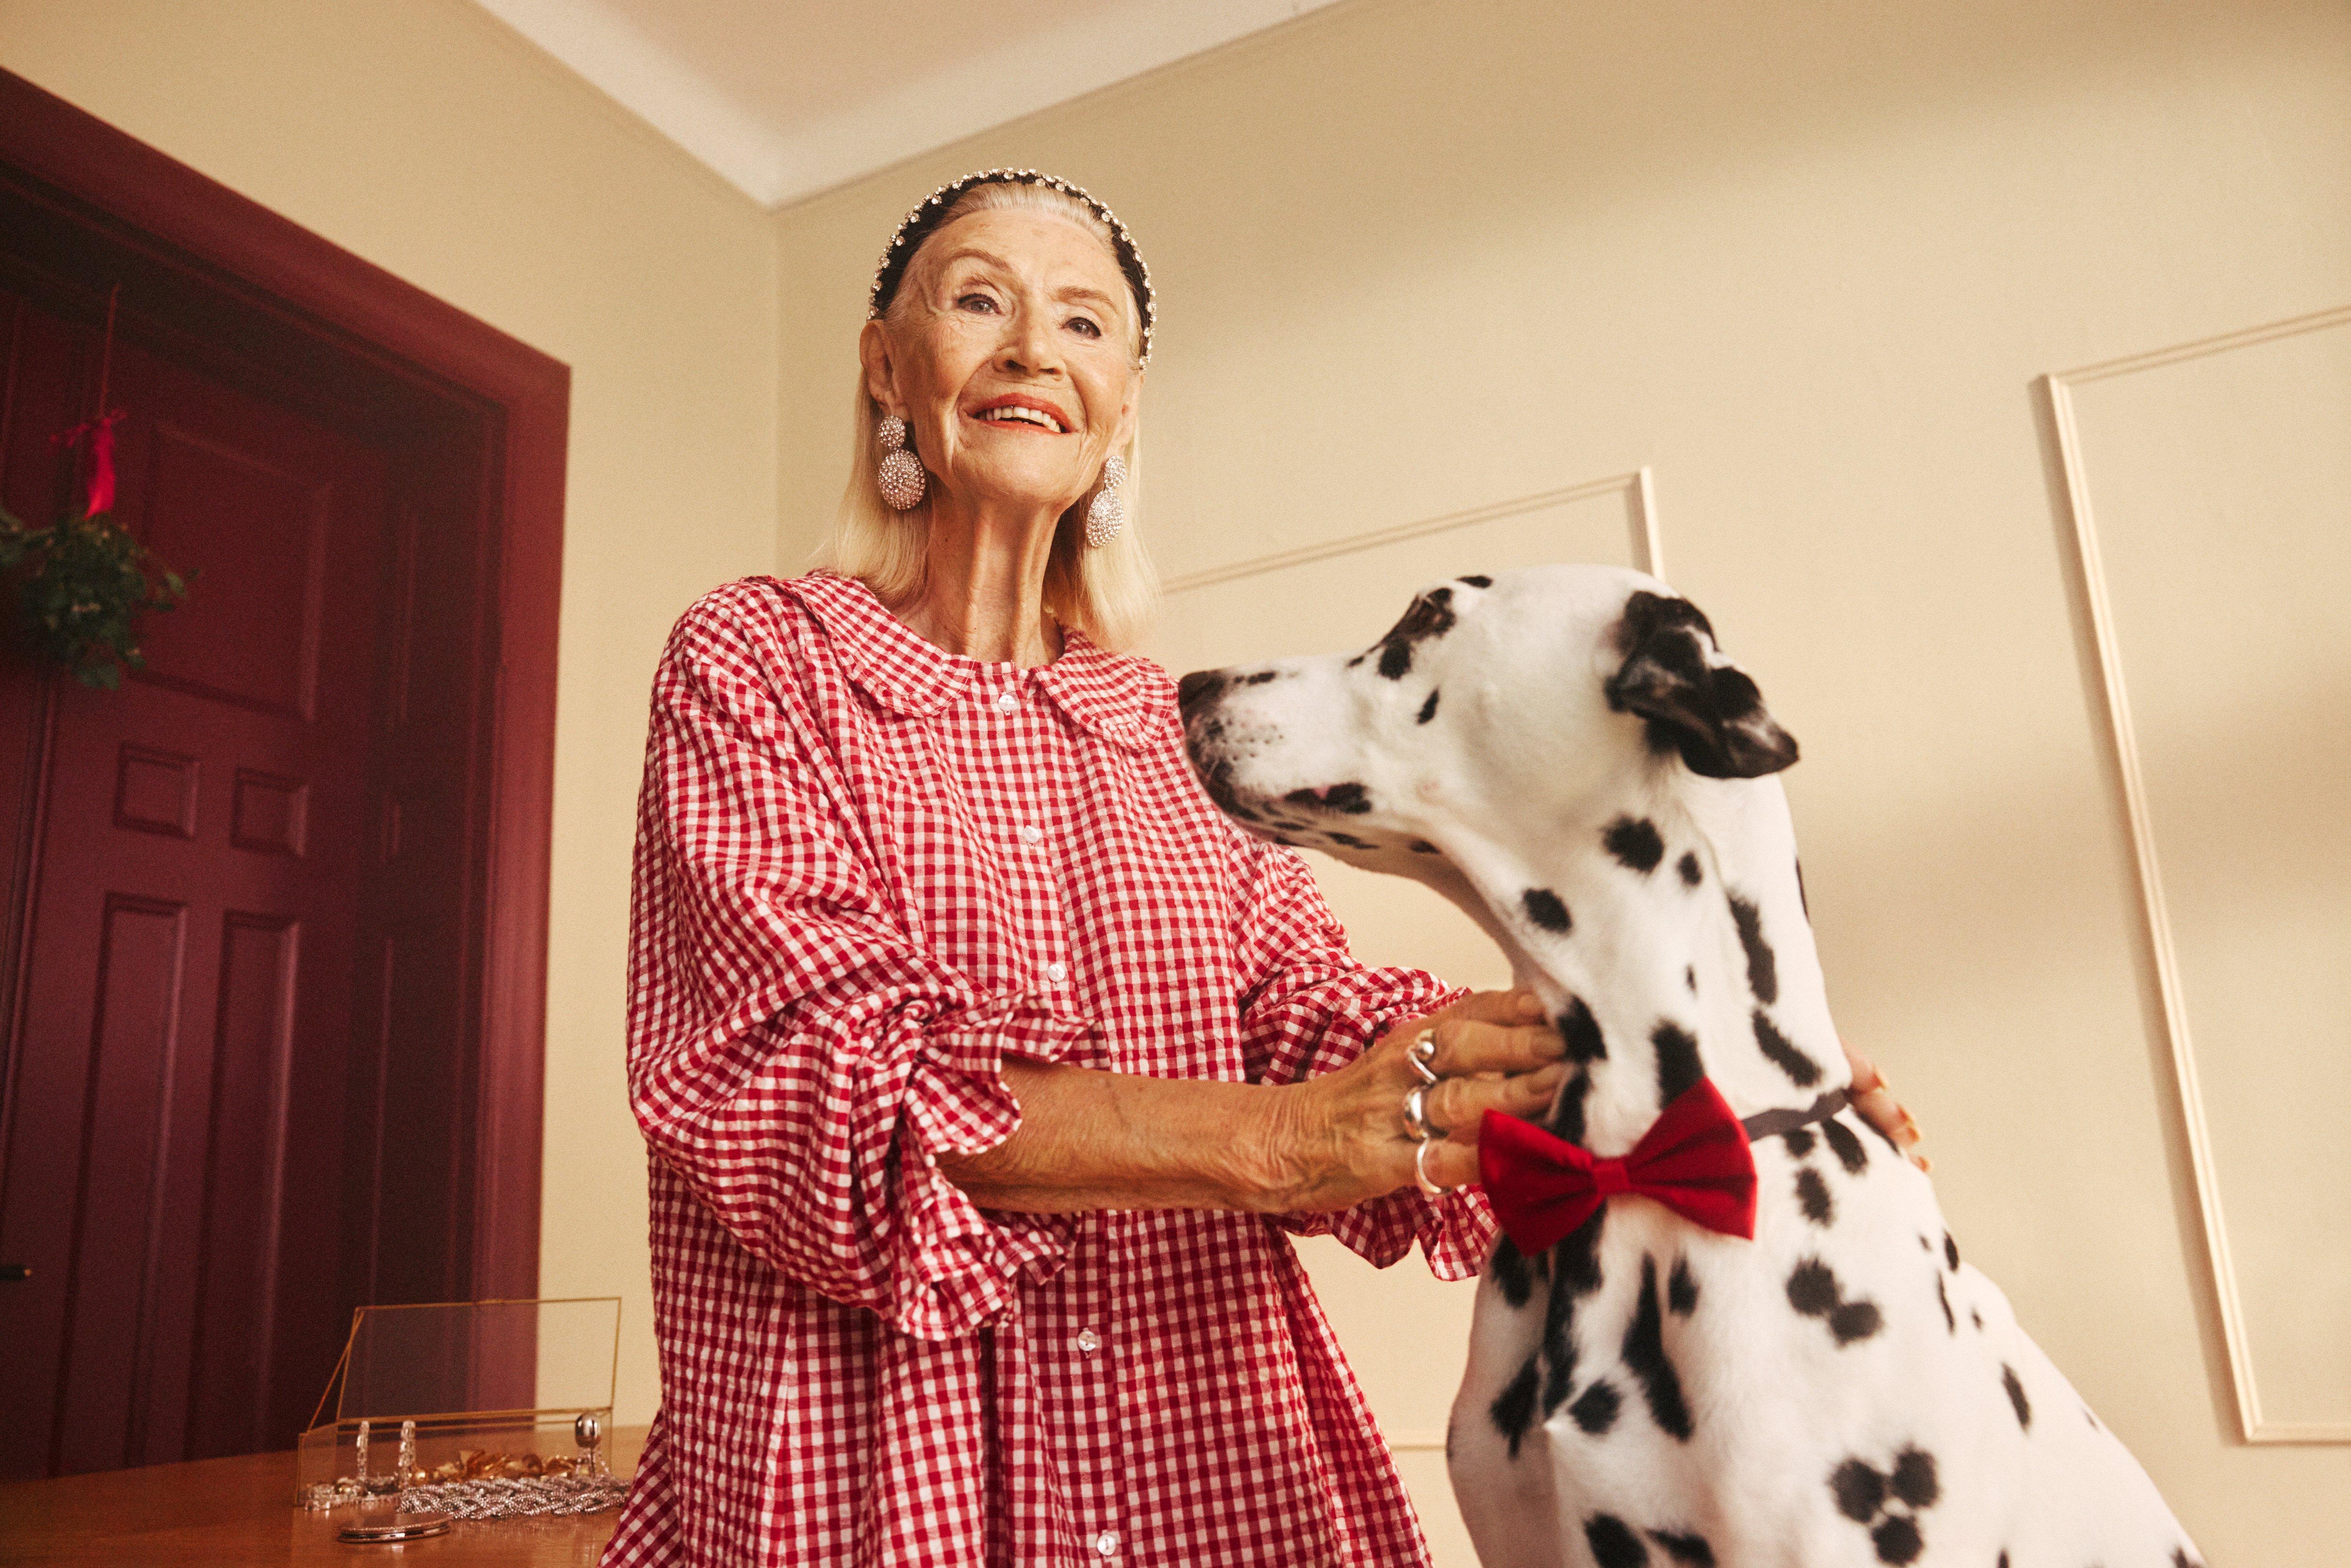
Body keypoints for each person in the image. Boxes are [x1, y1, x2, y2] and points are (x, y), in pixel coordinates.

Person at [602, 170, 1919, 1568]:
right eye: (979, 300)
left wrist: (1695, 1087)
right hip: (872, 1475)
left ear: (1124, 404)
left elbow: (1322, 1016)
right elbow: (817, 1075)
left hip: (1211, 1466)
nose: (1034, 352)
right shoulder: (758, 662)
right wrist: (1284, 1143)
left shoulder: (1167, 736)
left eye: (1085, 324)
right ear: (886, 366)